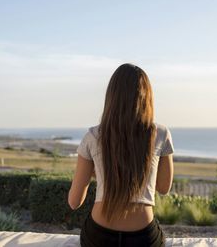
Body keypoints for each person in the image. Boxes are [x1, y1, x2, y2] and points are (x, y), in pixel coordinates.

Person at [68, 63, 174, 247]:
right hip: (143, 238)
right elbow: (164, 187)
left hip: (98, 237)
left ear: (112, 96)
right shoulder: (160, 134)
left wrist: (99, 173)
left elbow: (74, 202)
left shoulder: (93, 136)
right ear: (146, 97)